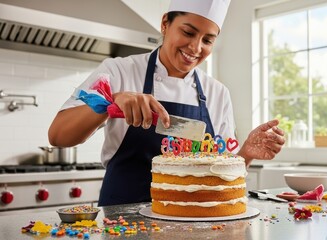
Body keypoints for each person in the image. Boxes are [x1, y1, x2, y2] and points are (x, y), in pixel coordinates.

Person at [48, 0, 285, 206]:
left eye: (208, 40)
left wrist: (246, 153)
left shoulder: (217, 93)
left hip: (192, 225)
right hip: (121, 220)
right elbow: (58, 135)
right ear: (165, 24)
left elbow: (223, 176)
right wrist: (113, 102)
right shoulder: (119, 71)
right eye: (189, 33)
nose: (196, 48)